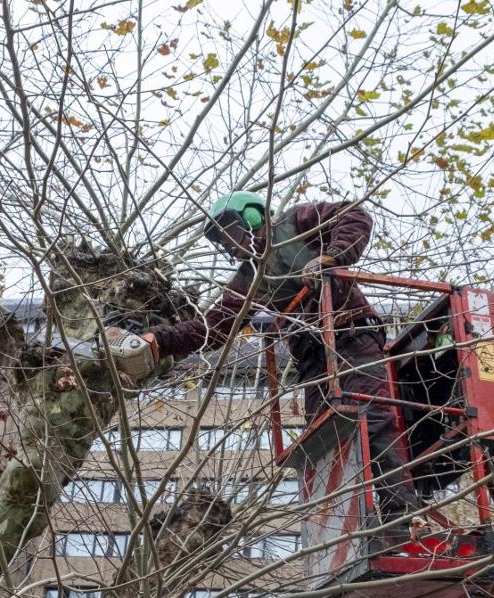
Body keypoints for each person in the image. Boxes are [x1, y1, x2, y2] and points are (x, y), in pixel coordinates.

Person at [111, 190, 420, 520]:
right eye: (219, 240)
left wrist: (331, 257)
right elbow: (212, 328)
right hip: (312, 360)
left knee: (369, 417)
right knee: (328, 439)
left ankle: (401, 512)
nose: (227, 244)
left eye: (227, 231)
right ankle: (350, 523)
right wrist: (158, 340)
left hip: (352, 335)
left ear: (253, 216)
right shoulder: (248, 279)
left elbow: (353, 214)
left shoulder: (295, 223)